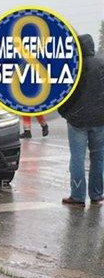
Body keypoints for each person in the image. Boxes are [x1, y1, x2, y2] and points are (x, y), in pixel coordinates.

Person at [57, 33, 104, 206]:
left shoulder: (72, 67)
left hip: (77, 121)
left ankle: (77, 196)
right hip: (100, 120)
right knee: (98, 158)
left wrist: (65, 113)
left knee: (77, 158)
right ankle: (97, 195)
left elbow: (61, 95)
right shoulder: (101, 64)